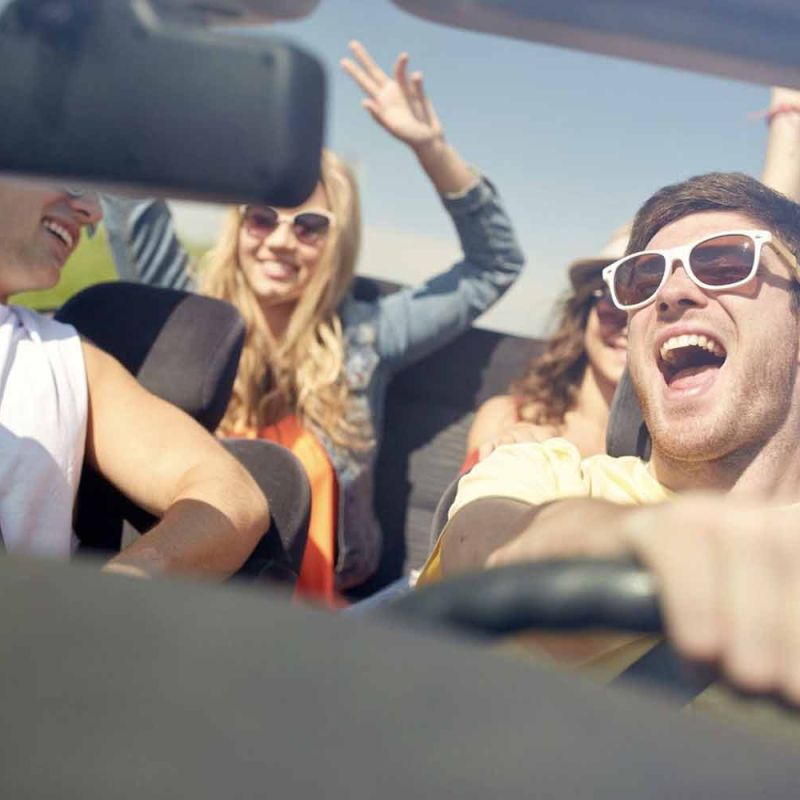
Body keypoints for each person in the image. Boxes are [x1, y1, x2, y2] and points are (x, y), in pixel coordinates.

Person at [102, 41, 525, 603]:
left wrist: (430, 149)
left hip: (318, 609)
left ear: (336, 243)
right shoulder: (187, 311)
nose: (280, 241)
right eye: (261, 219)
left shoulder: (370, 336)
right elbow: (126, 197)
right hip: (182, 592)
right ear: (238, 227)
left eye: (309, 227)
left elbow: (493, 265)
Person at [420, 171, 800, 709]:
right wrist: (657, 545)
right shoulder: (539, 470)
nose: (671, 292)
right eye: (643, 279)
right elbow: (492, 550)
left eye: (723, 264)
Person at [466, 85, 800, 466]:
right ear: (583, 314)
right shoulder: (511, 425)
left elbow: (769, 277)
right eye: (631, 288)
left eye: (720, 270)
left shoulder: (683, 444)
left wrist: (787, 122)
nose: (666, 296)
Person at [0, 181, 270, 579]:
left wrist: (106, 597)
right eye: (69, 176)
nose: (92, 212)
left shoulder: (61, 355)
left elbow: (232, 496)